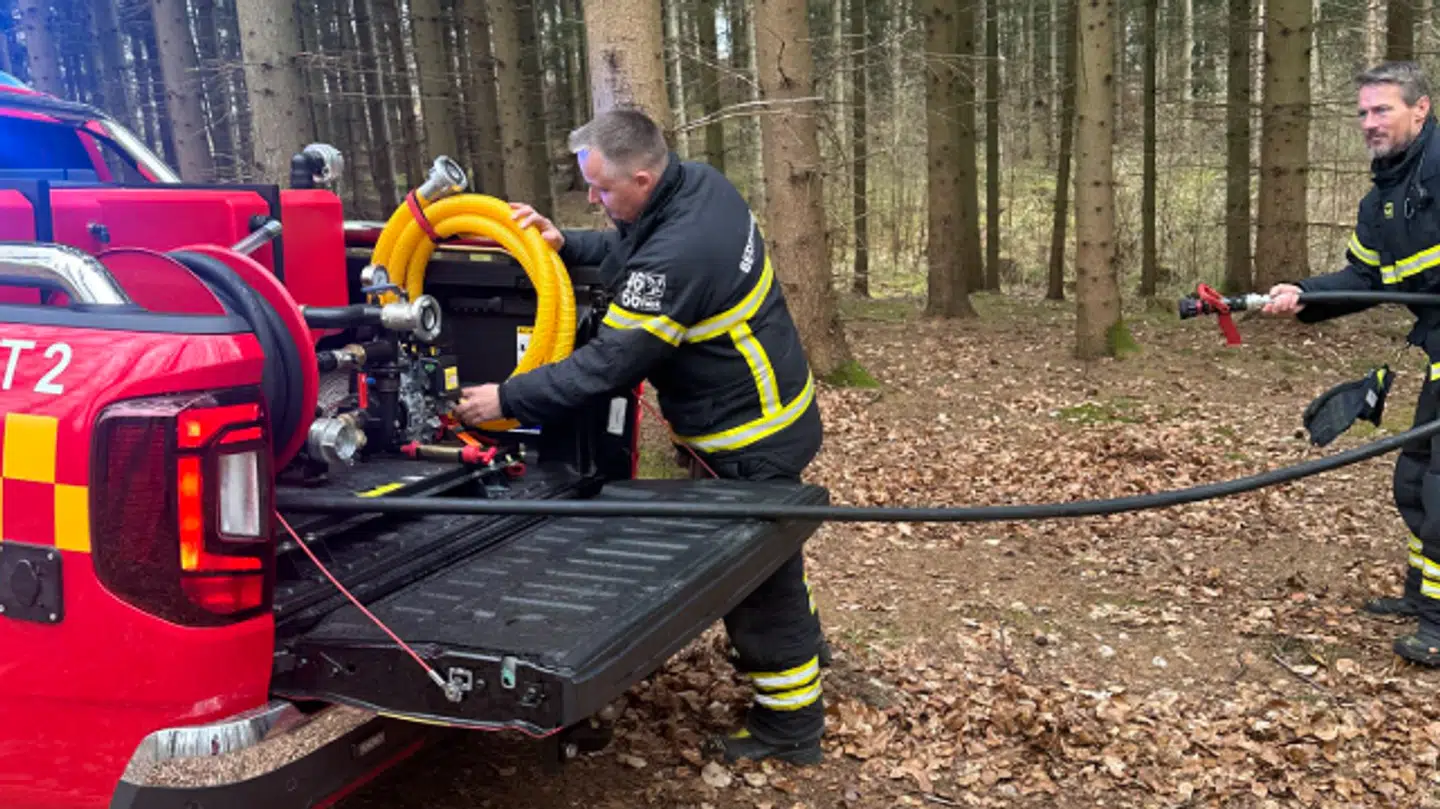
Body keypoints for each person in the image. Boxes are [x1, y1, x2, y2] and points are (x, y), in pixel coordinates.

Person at [453, 108, 830, 763]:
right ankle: (808, 650)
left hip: (750, 435)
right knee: (776, 561)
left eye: (602, 190)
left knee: (760, 581)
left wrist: (504, 398)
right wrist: (564, 243)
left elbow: (609, 365)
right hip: (774, 410)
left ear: (645, 177)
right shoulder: (699, 187)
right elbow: (631, 247)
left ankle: (791, 727)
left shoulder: (680, 252)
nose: (594, 201)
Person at [1263, 61, 1440, 665]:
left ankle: (1439, 625)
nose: (1369, 122)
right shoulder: (1381, 201)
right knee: (1415, 481)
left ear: (1420, 108)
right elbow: (1364, 277)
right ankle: (1424, 599)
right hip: (1438, 352)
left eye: (1382, 109)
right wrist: (1301, 294)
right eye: (1362, 112)